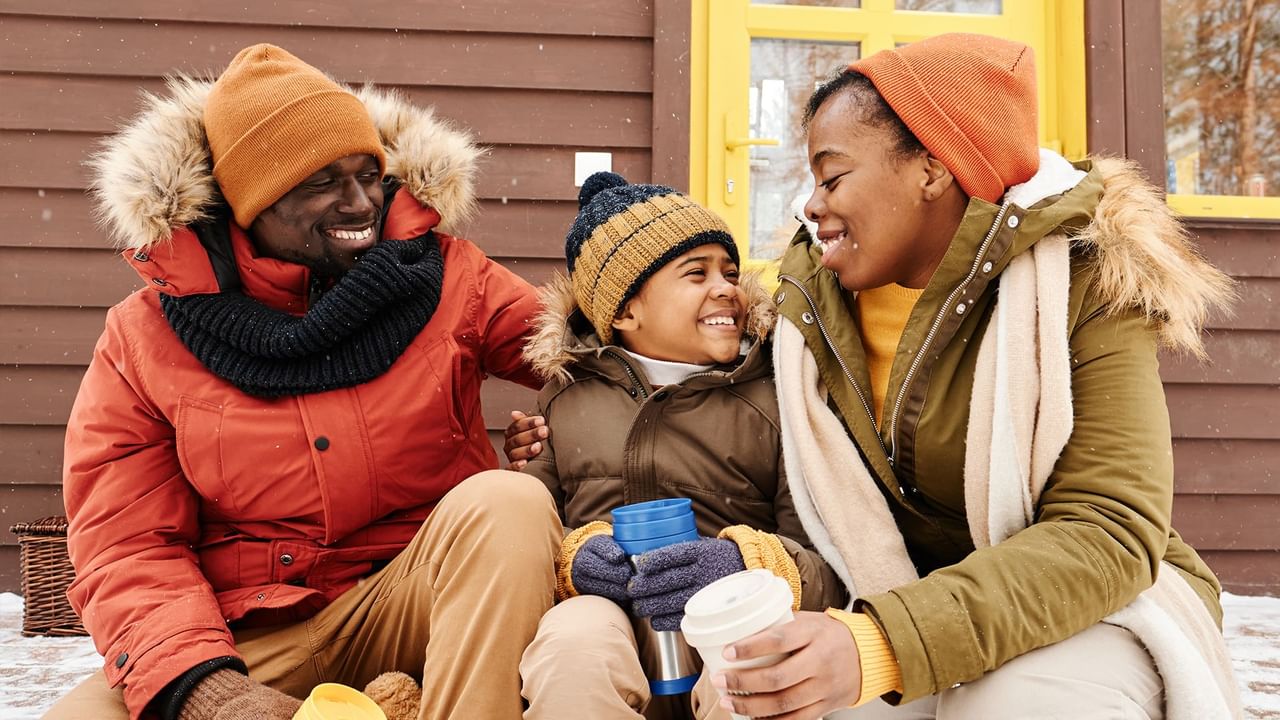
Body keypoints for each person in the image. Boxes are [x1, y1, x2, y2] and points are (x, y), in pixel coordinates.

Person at [508, 35, 1243, 720]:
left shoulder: (1083, 287)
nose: (810, 205)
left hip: (1076, 607)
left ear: (930, 168)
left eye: (832, 175)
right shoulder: (807, 314)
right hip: (883, 599)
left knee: (1021, 704)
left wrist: (877, 643)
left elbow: (1108, 534)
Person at [50, 44, 560, 720]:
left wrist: (565, 443)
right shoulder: (143, 336)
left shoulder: (448, 278)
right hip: (247, 634)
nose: (359, 204)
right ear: (246, 202)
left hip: (416, 598)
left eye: (367, 174)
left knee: (508, 501)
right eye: (321, 182)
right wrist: (214, 693)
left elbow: (598, 356)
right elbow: (127, 544)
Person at [515, 172, 847, 720]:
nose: (727, 288)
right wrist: (576, 561)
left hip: (726, 616)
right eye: (697, 274)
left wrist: (744, 562)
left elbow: (826, 570)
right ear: (624, 311)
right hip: (608, 618)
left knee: (757, 653)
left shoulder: (776, 395)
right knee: (572, 644)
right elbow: (529, 543)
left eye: (730, 272)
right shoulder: (566, 398)